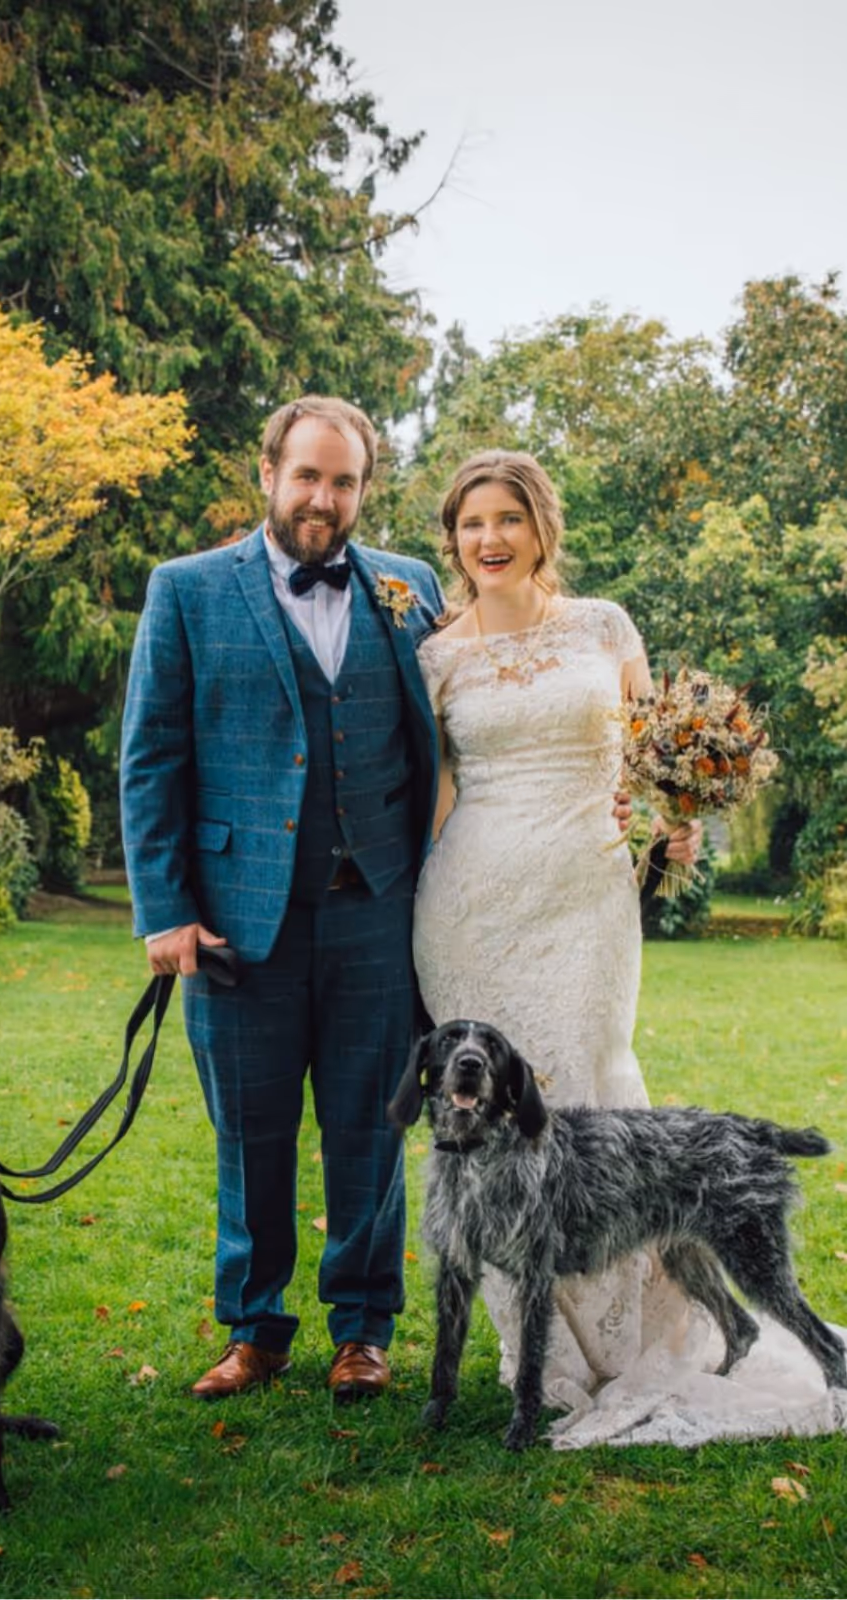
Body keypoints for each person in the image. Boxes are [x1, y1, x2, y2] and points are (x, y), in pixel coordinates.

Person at [412, 447, 847, 1449]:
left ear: (540, 526)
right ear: (455, 535)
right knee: (493, 1142)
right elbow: (437, 790)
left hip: (586, 899)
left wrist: (677, 824)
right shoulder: (437, 654)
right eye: (473, 523)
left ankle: (649, 1338)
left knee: (598, 1098)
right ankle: (543, 1361)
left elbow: (657, 760)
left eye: (508, 519)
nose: (490, 540)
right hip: (469, 904)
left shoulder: (605, 626)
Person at [119, 396, 446, 1401]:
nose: (323, 498)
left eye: (343, 481)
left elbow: (450, 734)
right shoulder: (186, 591)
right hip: (234, 924)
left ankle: (364, 1331)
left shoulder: (410, 586)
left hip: (376, 911)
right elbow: (151, 760)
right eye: (307, 476)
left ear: (363, 489)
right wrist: (164, 908)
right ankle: (255, 1328)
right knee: (249, 1132)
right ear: (268, 473)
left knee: (371, 1131)